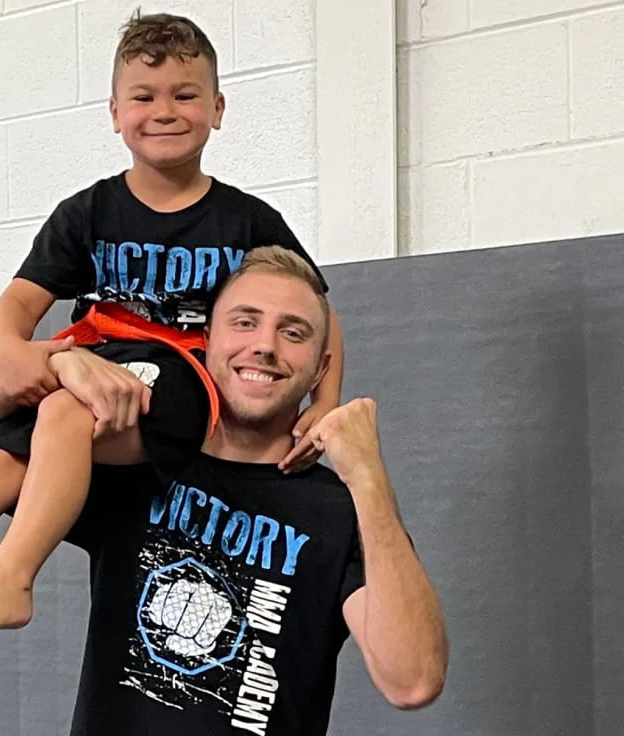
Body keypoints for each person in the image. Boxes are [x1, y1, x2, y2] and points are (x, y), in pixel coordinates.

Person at [0, 12, 344, 662]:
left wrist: (321, 408)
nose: (164, 111)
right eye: (144, 97)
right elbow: (16, 306)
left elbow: (315, 312)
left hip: (189, 379)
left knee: (63, 410)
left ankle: (11, 576)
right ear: (115, 112)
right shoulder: (88, 211)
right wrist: (18, 357)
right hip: (97, 362)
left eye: (185, 95)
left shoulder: (247, 219)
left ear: (218, 108)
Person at [57, 247, 448, 734]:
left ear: (321, 370)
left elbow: (411, 680)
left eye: (292, 332)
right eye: (245, 322)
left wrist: (369, 477)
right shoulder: (138, 460)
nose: (265, 346)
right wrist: (55, 365)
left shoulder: (338, 512)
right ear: (205, 340)